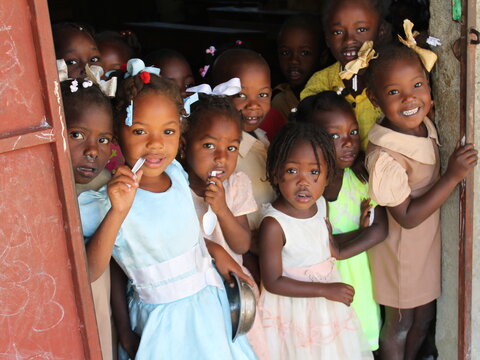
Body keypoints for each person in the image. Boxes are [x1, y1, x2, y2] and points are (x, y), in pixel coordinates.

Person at [78, 60, 257, 360]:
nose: (156, 145)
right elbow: (91, 270)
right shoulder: (110, 199)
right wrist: (119, 211)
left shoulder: (175, 172)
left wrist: (216, 251)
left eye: (168, 131)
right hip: (162, 326)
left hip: (208, 307)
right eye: (139, 131)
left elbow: (181, 237)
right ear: (117, 134)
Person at [364, 41, 478, 360]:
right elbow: (408, 217)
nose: (410, 98)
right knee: (399, 324)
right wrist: (453, 176)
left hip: (423, 248)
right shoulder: (384, 155)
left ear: (428, 84)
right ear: (374, 99)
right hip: (401, 253)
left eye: (417, 85)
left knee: (424, 318)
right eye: (394, 92)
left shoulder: (420, 124)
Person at [258, 122, 373, 359]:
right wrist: (324, 289)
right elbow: (273, 282)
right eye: (292, 171)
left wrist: (361, 230)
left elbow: (330, 248)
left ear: (327, 175)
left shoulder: (321, 205)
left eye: (314, 172)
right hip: (293, 310)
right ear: (276, 173)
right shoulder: (274, 224)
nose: (303, 182)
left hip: (325, 307)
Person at [295, 91, 387, 352]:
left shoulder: (359, 179)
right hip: (319, 289)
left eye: (353, 132)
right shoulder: (303, 187)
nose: (348, 142)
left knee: (360, 346)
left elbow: (380, 229)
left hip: (358, 283)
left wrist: (336, 249)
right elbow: (306, 241)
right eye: (334, 136)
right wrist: (357, 233)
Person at [180, 92, 270, 359]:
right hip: (193, 294)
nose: (221, 157)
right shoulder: (175, 188)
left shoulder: (235, 185)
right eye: (209, 146)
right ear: (184, 146)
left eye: (231, 148)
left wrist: (221, 209)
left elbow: (241, 244)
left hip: (234, 294)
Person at [211, 49, 277, 282]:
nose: (253, 106)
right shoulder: (222, 155)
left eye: (263, 95)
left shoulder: (263, 138)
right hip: (245, 259)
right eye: (241, 95)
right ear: (218, 95)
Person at [61, 77, 115, 360]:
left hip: (96, 298)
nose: (93, 150)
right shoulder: (36, 186)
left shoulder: (110, 187)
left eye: (103, 140)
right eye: (77, 135)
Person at [300, 0, 387, 151]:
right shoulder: (320, 83)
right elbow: (307, 133)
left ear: (380, 32)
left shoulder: (390, 77)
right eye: (337, 32)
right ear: (327, 38)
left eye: (361, 29)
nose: (349, 40)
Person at [272, 14, 325, 122]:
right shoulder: (280, 101)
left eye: (305, 53)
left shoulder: (333, 93)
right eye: (285, 52)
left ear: (322, 57)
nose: (293, 60)